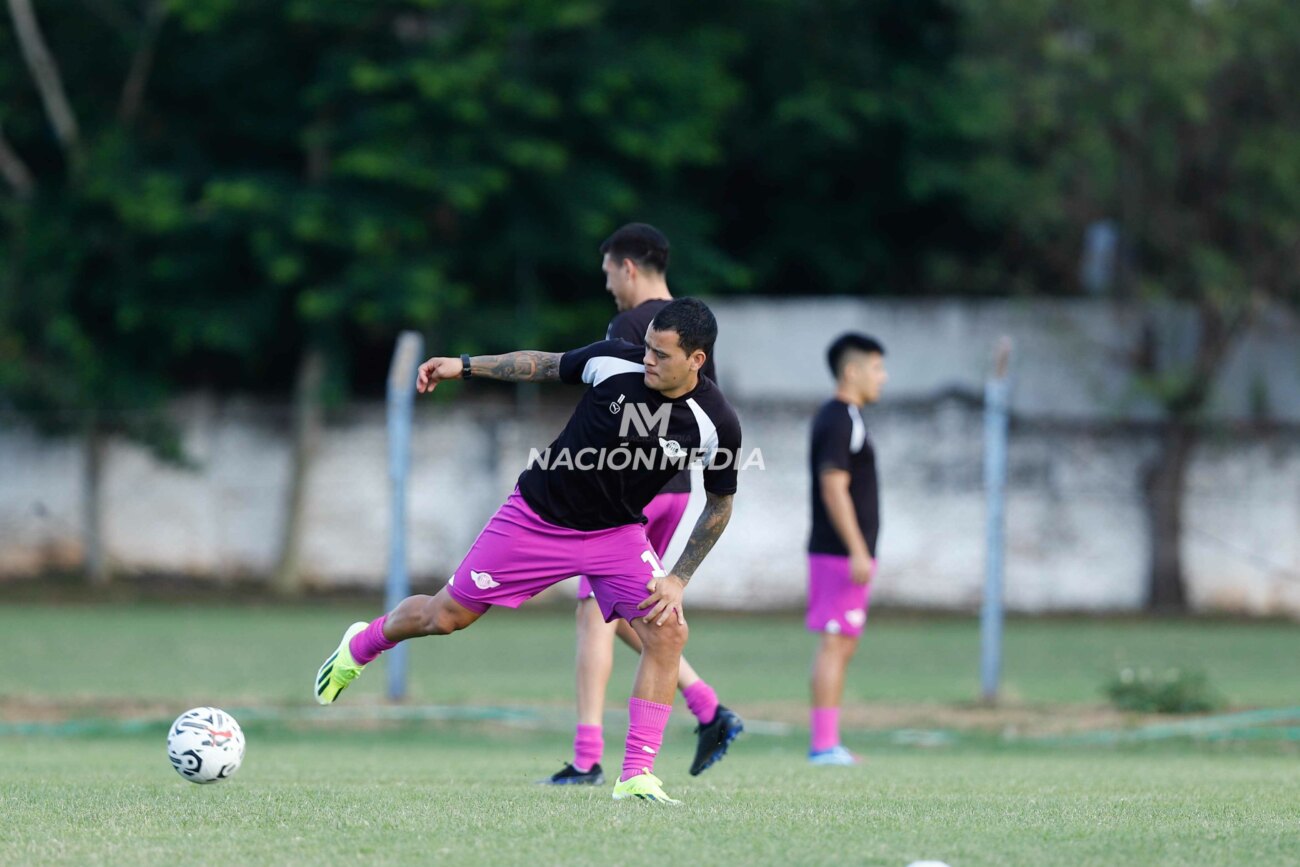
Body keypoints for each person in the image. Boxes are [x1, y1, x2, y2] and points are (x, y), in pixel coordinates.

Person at [314, 298, 741, 804]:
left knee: (668, 631)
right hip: (535, 520)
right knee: (444, 617)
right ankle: (360, 646)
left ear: (696, 360)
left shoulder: (716, 423)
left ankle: (637, 774)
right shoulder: (615, 361)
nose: (646, 359)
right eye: (647, 347)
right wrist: (465, 366)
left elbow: (719, 505)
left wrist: (678, 579)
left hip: (616, 536)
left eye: (661, 354)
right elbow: (542, 364)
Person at [545, 224, 742, 787]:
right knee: (638, 612)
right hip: (677, 493)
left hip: (626, 498)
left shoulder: (637, 329)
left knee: (594, 617)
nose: (607, 283)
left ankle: (587, 758)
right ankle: (706, 706)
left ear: (628, 267)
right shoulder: (690, 323)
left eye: (608, 270)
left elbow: (610, 419)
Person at [806, 333, 887, 765]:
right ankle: (823, 745)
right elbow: (833, 486)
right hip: (838, 553)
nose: (883, 378)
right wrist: (857, 549)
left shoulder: (847, 417)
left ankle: (827, 742)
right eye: (877, 368)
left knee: (843, 643)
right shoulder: (839, 419)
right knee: (835, 642)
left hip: (844, 553)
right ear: (852, 371)